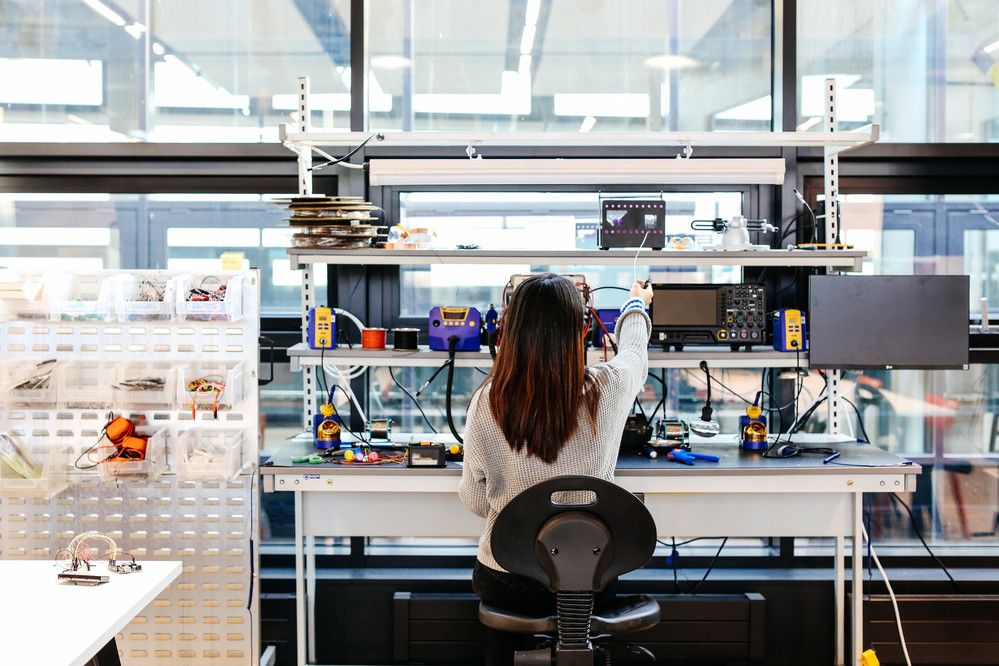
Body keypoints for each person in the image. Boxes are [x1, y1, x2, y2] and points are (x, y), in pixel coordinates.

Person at [459, 273, 653, 664]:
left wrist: (523, 514)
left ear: (510, 332)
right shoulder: (609, 388)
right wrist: (636, 305)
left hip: (508, 577)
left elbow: (475, 499)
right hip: (591, 575)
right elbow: (634, 352)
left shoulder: (486, 401)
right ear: (581, 332)